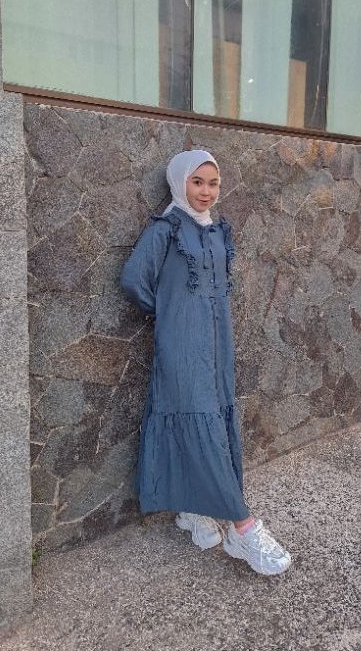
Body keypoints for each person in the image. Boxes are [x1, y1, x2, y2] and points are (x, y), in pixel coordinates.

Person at [120, 149, 292, 576]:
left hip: (217, 346)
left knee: (211, 419)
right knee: (198, 420)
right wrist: (168, 312)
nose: (206, 191)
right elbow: (133, 279)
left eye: (213, 183)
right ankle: (243, 528)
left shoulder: (216, 230)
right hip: (181, 345)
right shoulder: (166, 229)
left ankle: (192, 509)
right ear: (180, 182)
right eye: (197, 182)